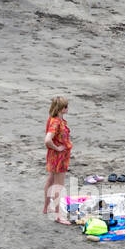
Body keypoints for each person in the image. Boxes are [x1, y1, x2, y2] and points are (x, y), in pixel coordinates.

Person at [43, 96, 72, 224]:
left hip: (53, 156)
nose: (67, 108)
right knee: (58, 186)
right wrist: (58, 148)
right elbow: (47, 139)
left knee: (50, 180)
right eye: (66, 106)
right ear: (61, 109)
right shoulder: (56, 122)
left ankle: (46, 207)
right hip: (59, 157)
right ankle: (58, 215)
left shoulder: (54, 119)